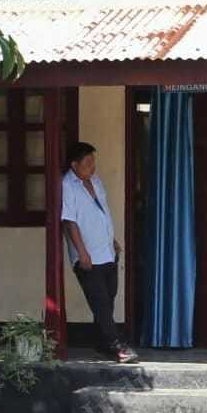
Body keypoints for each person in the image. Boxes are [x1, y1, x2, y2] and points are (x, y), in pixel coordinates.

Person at [62, 141, 137, 364]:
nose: (92, 166)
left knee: (109, 297)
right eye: (87, 163)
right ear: (74, 165)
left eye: (93, 161)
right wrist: (81, 252)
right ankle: (117, 347)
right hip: (88, 256)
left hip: (106, 251)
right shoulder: (67, 185)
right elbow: (69, 221)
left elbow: (101, 213)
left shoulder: (95, 180)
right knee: (100, 302)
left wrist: (112, 240)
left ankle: (101, 342)